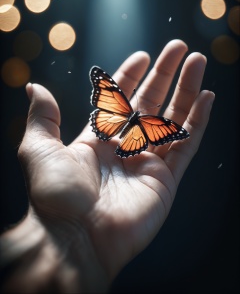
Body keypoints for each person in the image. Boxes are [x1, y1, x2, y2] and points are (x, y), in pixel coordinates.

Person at [0, 40, 215, 293]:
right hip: (132, 133)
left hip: (113, 120)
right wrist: (59, 226)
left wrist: (56, 229)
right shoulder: (151, 122)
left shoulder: (135, 113)